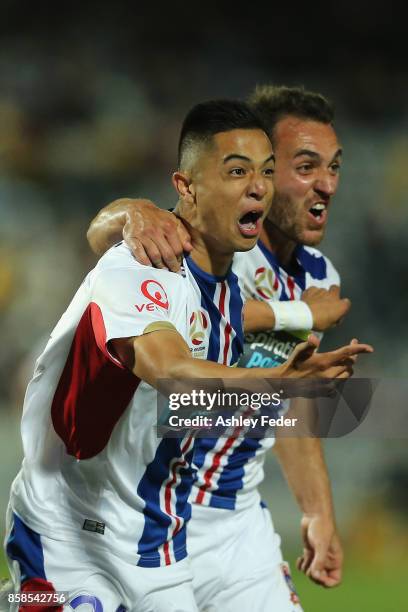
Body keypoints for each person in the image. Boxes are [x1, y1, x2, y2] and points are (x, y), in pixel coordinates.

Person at [3, 99, 370, 612]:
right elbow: (173, 373)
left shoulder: (228, 287)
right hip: (71, 533)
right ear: (186, 186)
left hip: (159, 539)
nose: (258, 186)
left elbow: (189, 405)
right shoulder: (145, 264)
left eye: (264, 172)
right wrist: (278, 383)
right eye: (238, 171)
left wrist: (297, 323)